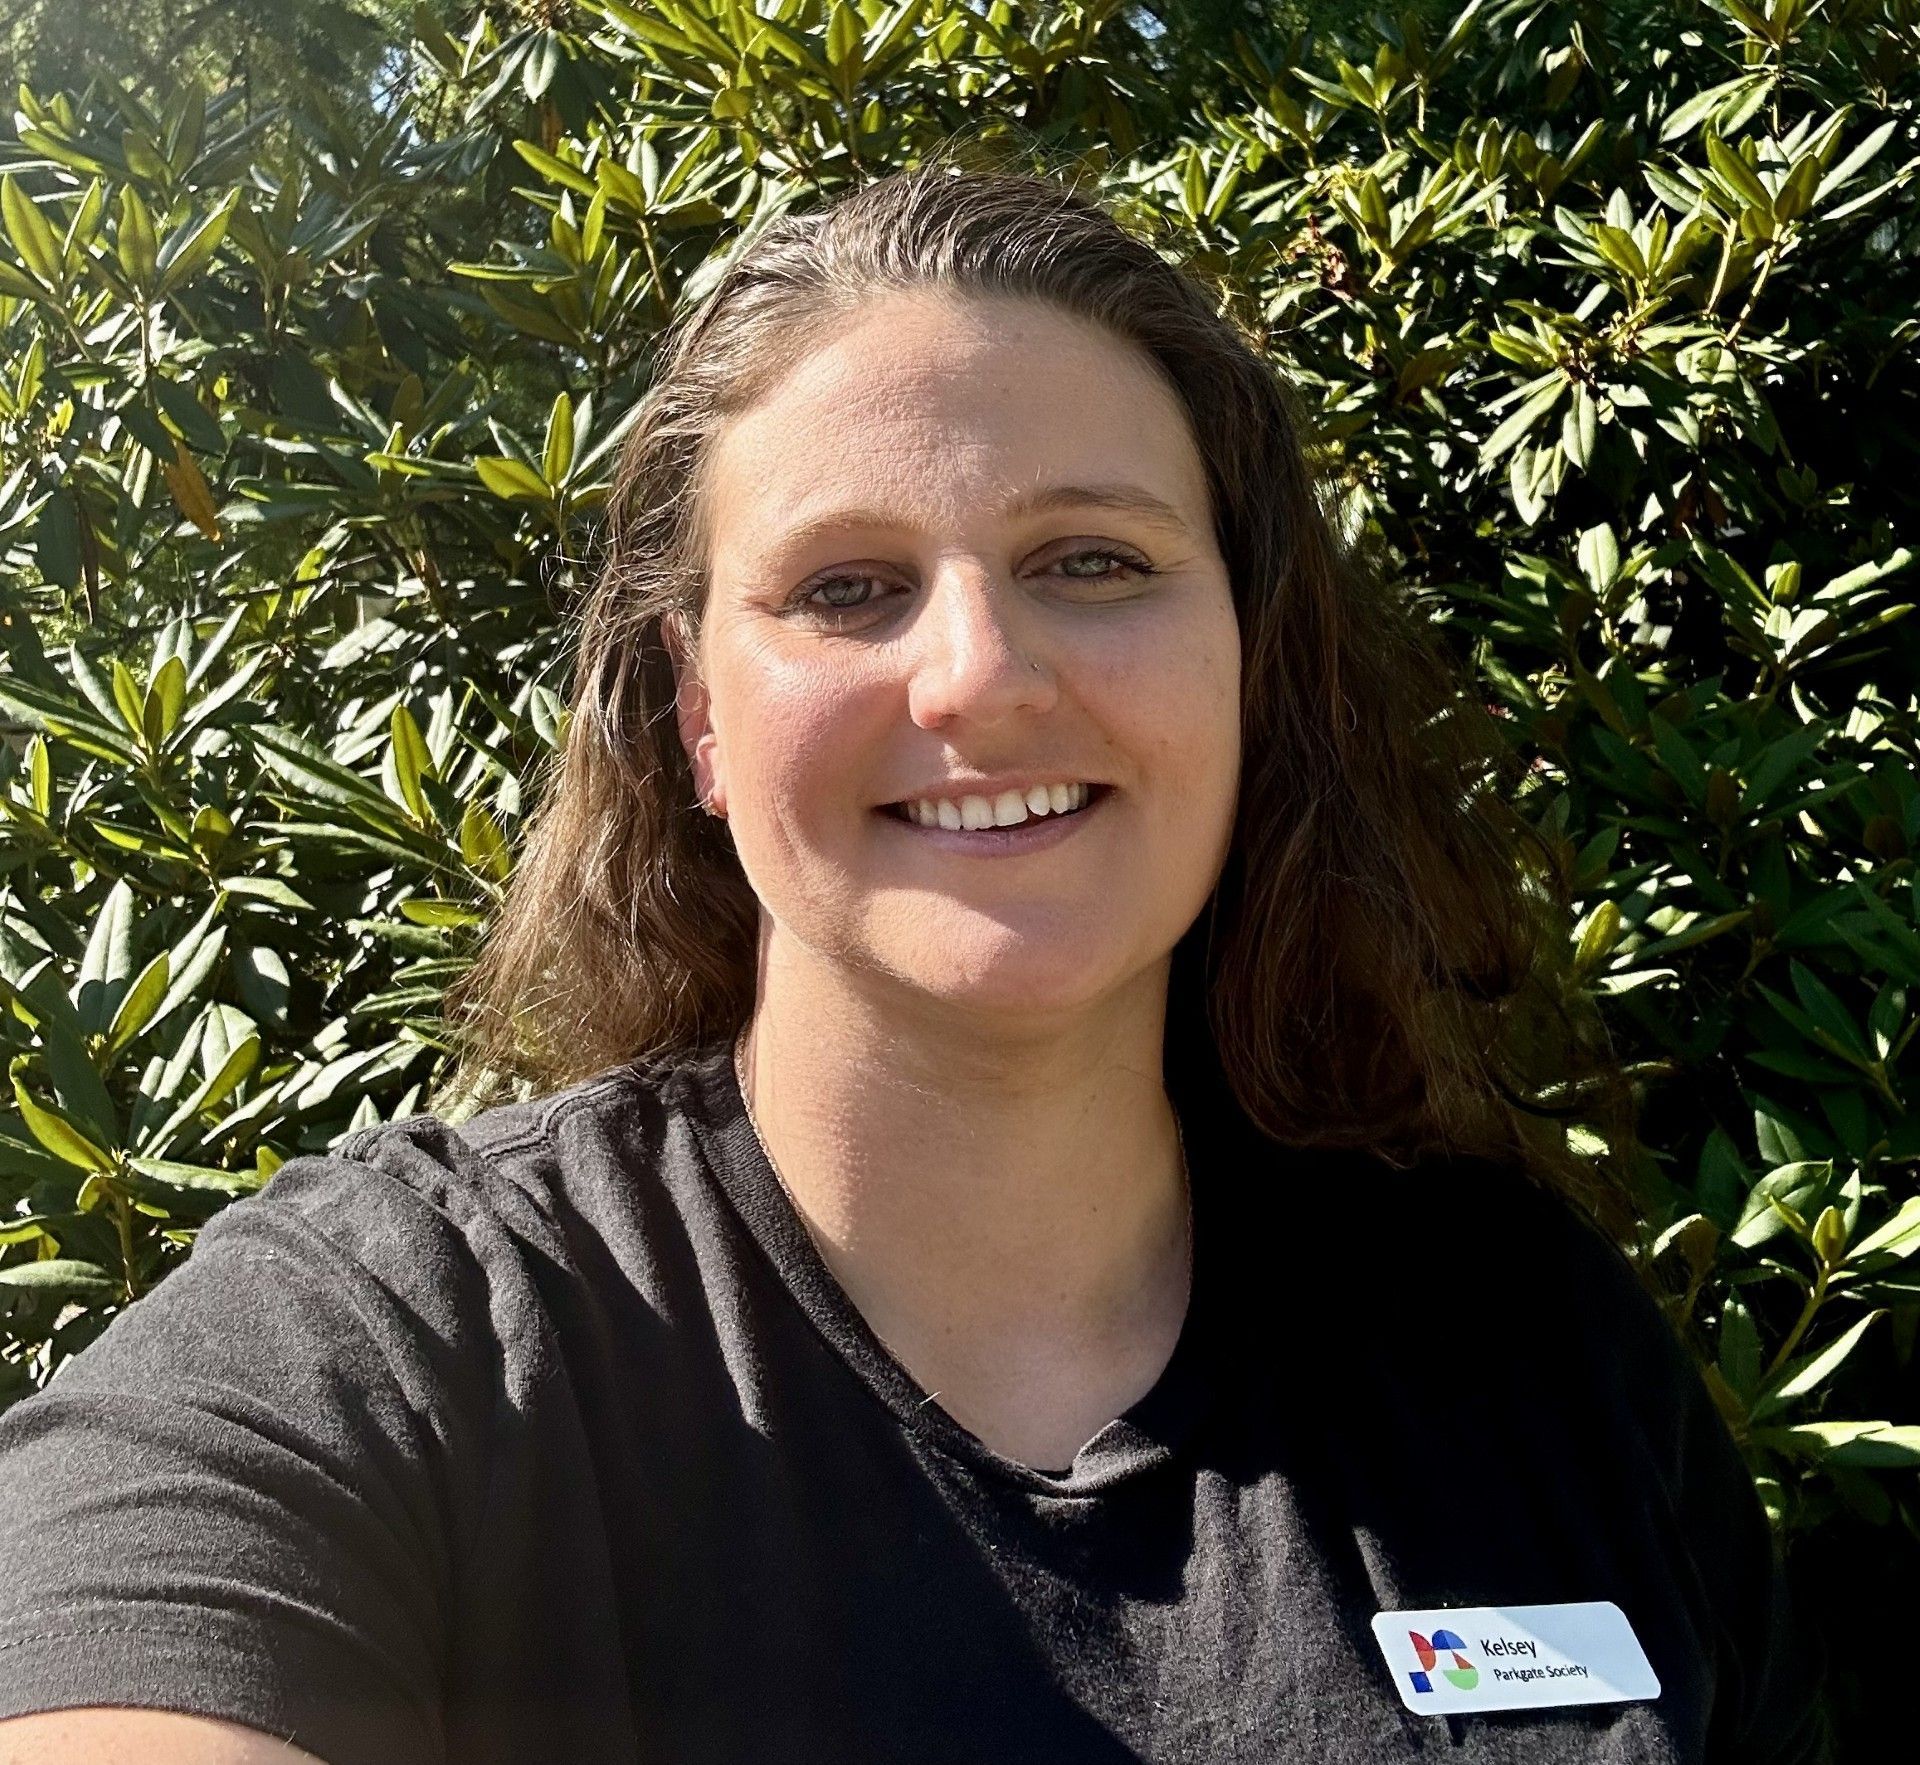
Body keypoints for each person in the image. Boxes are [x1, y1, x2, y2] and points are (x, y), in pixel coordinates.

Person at [0, 157, 1827, 1764]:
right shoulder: (392, 1345)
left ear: (1250, 663)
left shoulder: (1532, 1352)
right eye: (848, 588)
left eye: (1094, 560)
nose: (979, 674)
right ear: (702, 721)